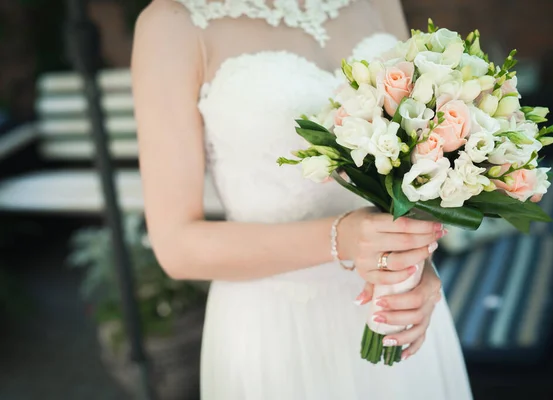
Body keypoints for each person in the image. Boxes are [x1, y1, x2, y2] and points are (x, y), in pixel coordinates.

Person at [132, 0, 472, 398]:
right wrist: (342, 237)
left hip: (399, 310)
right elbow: (177, 247)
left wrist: (421, 266)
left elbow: (410, 158)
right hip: (278, 331)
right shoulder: (173, 23)